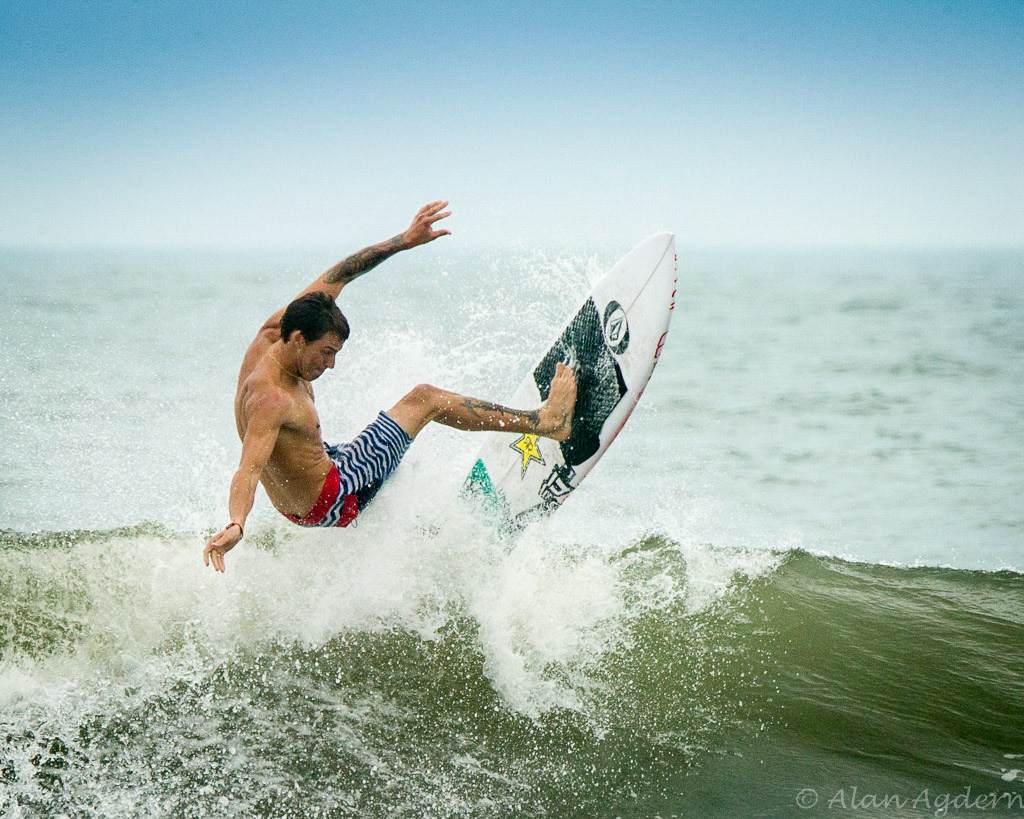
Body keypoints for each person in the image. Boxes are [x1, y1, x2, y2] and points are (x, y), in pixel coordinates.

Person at [203, 201, 577, 573]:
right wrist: (237, 524)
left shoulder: (275, 332)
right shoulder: (272, 398)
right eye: (326, 352)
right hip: (333, 496)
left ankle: (429, 536)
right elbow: (248, 470)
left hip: (310, 486)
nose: (330, 364)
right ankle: (546, 422)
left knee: (400, 454)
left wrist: (404, 240)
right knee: (424, 400)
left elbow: (342, 273)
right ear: (299, 338)